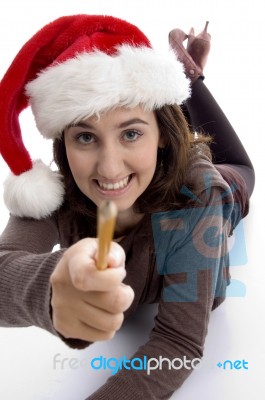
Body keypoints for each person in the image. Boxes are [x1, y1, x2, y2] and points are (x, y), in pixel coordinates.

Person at [0, 15, 254, 400]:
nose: (109, 168)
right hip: (165, 147)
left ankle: (187, 72)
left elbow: (179, 342)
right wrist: (48, 288)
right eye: (85, 136)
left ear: (162, 138)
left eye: (131, 134)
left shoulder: (200, 197)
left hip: (228, 181)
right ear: (63, 143)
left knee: (238, 161)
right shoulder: (55, 188)